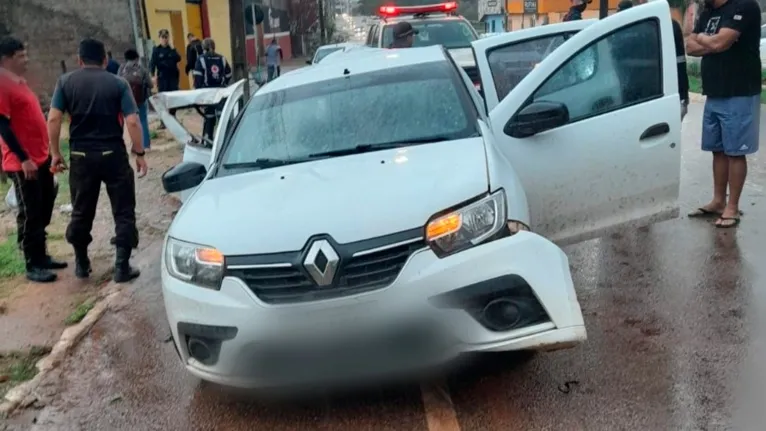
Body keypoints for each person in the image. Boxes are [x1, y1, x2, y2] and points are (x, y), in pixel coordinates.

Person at [47, 38, 149, 283]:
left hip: (81, 156)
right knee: (124, 210)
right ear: (105, 60)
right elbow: (133, 121)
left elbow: (53, 119)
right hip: (113, 154)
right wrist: (139, 152)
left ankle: (82, 264)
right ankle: (122, 267)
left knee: (81, 211)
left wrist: (55, 152)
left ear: (79, 60)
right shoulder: (118, 83)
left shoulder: (65, 82)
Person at [686, 0, 761, 228]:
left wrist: (703, 40)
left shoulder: (744, 6)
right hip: (714, 92)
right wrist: (705, 41)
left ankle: (732, 207)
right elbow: (690, 46)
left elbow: (720, 43)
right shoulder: (708, 11)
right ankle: (719, 201)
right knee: (717, 151)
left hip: (739, 92)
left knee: (735, 153)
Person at [0, 36, 67, 282]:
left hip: (41, 157)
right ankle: (32, 263)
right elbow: (3, 127)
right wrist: (24, 158)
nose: (26, 59)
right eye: (21, 56)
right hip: (23, 163)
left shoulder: (19, 82)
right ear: (7, 59)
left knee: (44, 205)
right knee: (31, 212)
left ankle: (42, 254)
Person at [616, 0, 689, 119]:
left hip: (652, 96)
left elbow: (679, 62)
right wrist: (683, 97)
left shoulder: (669, 26)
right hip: (637, 97)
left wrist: (683, 97)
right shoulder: (629, 27)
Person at [193, 38, 232, 143]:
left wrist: (198, 95)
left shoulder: (201, 59)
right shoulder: (222, 59)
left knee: (209, 119)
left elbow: (198, 79)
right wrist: (224, 84)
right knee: (222, 120)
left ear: (203, 48)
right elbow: (228, 74)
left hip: (207, 94)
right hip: (221, 93)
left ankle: (208, 142)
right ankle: (226, 142)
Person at [119, 48, 153, 150]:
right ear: (137, 58)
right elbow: (150, 85)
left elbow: (118, 83)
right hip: (140, 99)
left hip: (126, 100)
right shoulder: (141, 69)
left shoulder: (122, 68)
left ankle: (135, 144)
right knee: (142, 120)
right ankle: (145, 145)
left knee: (130, 122)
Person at [149, 29, 181, 126]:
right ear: (159, 38)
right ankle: (163, 120)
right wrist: (153, 76)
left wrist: (172, 49)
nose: (165, 39)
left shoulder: (172, 50)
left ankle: (172, 116)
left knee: (174, 97)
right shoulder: (156, 50)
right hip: (163, 78)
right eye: (163, 37)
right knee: (162, 99)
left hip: (173, 78)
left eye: (166, 37)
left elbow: (179, 58)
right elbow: (152, 64)